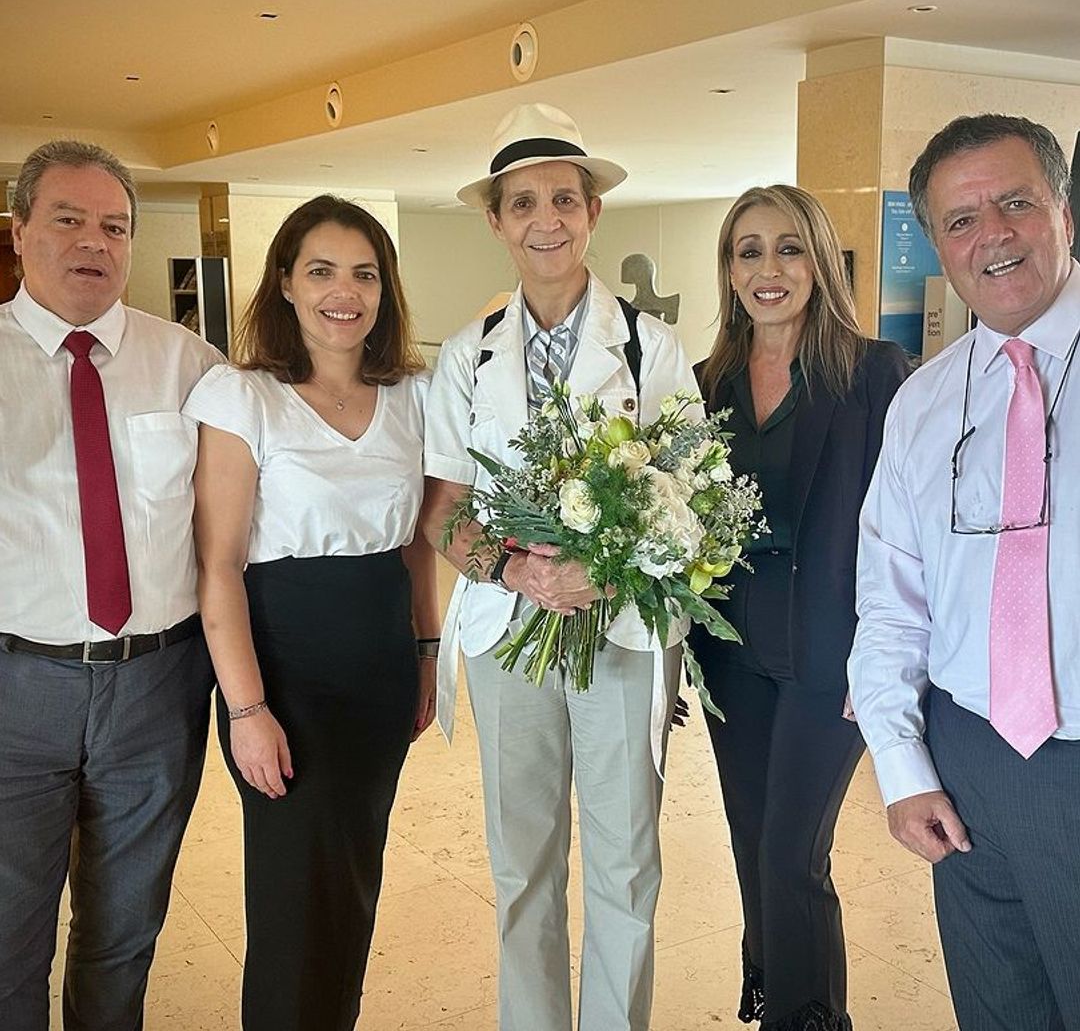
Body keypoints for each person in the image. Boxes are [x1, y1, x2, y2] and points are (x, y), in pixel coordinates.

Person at [421, 102, 699, 1031]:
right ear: (496, 221)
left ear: (593, 214)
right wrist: (516, 575)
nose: (548, 219)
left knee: (624, 861)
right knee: (522, 863)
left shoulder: (650, 349)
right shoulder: (466, 357)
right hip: (507, 638)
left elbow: (688, 499)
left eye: (565, 200)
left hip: (621, 634)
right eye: (524, 202)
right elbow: (443, 512)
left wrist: (609, 571)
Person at [183, 195, 438, 1030]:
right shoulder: (242, 394)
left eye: (365, 273)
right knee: (293, 899)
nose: (345, 291)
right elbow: (217, 567)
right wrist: (247, 710)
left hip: (379, 663)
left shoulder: (412, 396)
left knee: (352, 884)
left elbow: (418, 546)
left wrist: (427, 654)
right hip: (282, 669)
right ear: (286, 284)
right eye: (321, 270)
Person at [848, 114, 1080, 1030]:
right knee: (1000, 1009)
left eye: (1015, 202)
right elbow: (891, 600)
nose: (993, 235)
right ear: (938, 245)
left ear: (1063, 210)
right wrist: (903, 767)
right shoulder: (923, 402)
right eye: (960, 220)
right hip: (970, 757)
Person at [0, 141, 222, 1030]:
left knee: (124, 931)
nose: (94, 242)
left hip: (157, 687)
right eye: (67, 219)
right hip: (16, 689)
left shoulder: (194, 367)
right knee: (9, 937)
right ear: (19, 232)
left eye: (115, 226)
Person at [689, 185, 910, 1030]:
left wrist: (890, 660)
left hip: (833, 661)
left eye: (788, 248)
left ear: (820, 261)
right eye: (749, 251)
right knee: (753, 842)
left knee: (792, 852)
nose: (768, 269)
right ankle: (775, 981)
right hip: (731, 655)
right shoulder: (708, 385)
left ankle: (810, 1017)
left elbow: (908, 528)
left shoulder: (873, 373)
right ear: (729, 270)